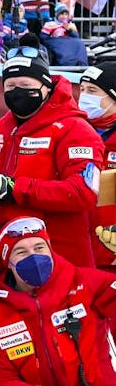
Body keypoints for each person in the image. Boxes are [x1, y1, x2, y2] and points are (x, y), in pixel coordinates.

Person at [0, 36, 103, 268]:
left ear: (46, 87)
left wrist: (16, 188)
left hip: (60, 260)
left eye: (26, 86)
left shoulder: (75, 129)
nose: (17, 93)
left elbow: (83, 192)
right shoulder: (6, 125)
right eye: (10, 87)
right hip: (7, 259)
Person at [0, 217, 116, 385]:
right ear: (7, 262)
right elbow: (3, 376)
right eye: (21, 252)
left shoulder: (85, 282)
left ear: (50, 250)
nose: (34, 256)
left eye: (39, 247)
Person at [79, 64, 116, 271]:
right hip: (82, 243)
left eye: (92, 91)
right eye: (82, 90)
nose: (84, 97)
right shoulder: (74, 132)